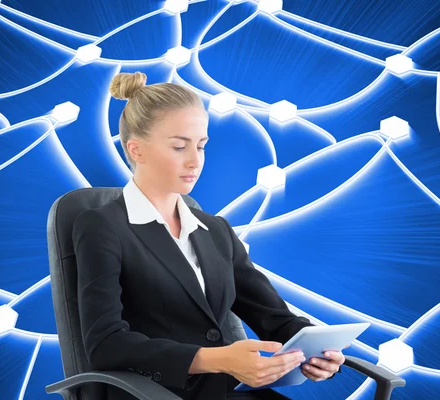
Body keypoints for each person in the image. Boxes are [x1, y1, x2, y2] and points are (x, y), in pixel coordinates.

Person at [72, 71, 345, 400]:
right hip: (153, 393)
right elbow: (106, 344)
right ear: (136, 150)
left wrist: (318, 349)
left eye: (201, 146)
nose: (195, 161)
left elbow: (274, 317)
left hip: (226, 392)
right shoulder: (102, 226)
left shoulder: (215, 231)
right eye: (179, 146)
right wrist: (217, 359)